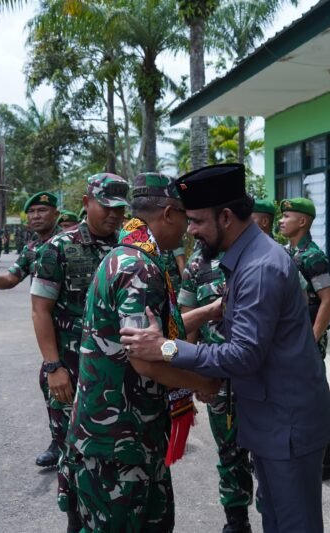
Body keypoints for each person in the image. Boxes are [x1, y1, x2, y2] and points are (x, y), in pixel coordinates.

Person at [122, 163, 330, 533]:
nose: (190, 230)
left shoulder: (260, 267)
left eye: (197, 222)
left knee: (293, 524)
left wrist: (167, 349)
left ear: (225, 217)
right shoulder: (246, 258)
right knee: (275, 517)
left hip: (286, 426)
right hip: (271, 419)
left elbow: (243, 354)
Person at [67, 172, 220, 532]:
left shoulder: (125, 255)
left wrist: (208, 311)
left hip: (122, 436)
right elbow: (144, 358)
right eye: (187, 219)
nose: (188, 230)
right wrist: (203, 383)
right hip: (121, 441)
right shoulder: (140, 268)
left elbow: (155, 327)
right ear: (169, 213)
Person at [31, 174, 130, 533]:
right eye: (107, 206)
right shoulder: (58, 249)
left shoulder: (127, 249)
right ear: (87, 201)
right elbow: (40, 309)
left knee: (110, 453)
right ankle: (75, 521)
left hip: (114, 373)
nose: (114, 215)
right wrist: (53, 365)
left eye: (120, 209)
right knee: (71, 452)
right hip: (70, 372)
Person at [0, 191, 62, 468]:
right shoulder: (32, 249)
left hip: (87, 331)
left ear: (55, 213)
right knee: (52, 383)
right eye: (31, 212)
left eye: (42, 210)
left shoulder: (71, 242)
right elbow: (10, 279)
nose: (36, 216)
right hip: (56, 331)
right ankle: (59, 442)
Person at [179, 242, 254, 532]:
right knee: (229, 450)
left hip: (261, 377)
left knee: (267, 454)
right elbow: (188, 322)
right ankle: (237, 519)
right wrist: (195, 377)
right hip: (218, 377)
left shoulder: (263, 254)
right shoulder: (198, 265)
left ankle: (273, 513)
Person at [278, 197, 330, 481]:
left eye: (287, 216)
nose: (281, 221)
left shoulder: (312, 256)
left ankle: (325, 460)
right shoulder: (288, 252)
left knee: (313, 396)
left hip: (308, 338)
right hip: (293, 338)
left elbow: (328, 301)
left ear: (302, 221)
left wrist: (312, 340)